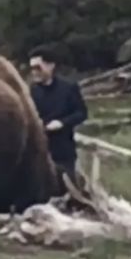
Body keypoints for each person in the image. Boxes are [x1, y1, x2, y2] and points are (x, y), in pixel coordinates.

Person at [28, 46, 88, 183]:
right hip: (39, 152)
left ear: (50, 66)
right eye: (32, 68)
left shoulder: (68, 88)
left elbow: (81, 113)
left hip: (63, 151)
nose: (34, 72)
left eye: (38, 67)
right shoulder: (31, 92)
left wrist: (62, 123)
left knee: (68, 191)